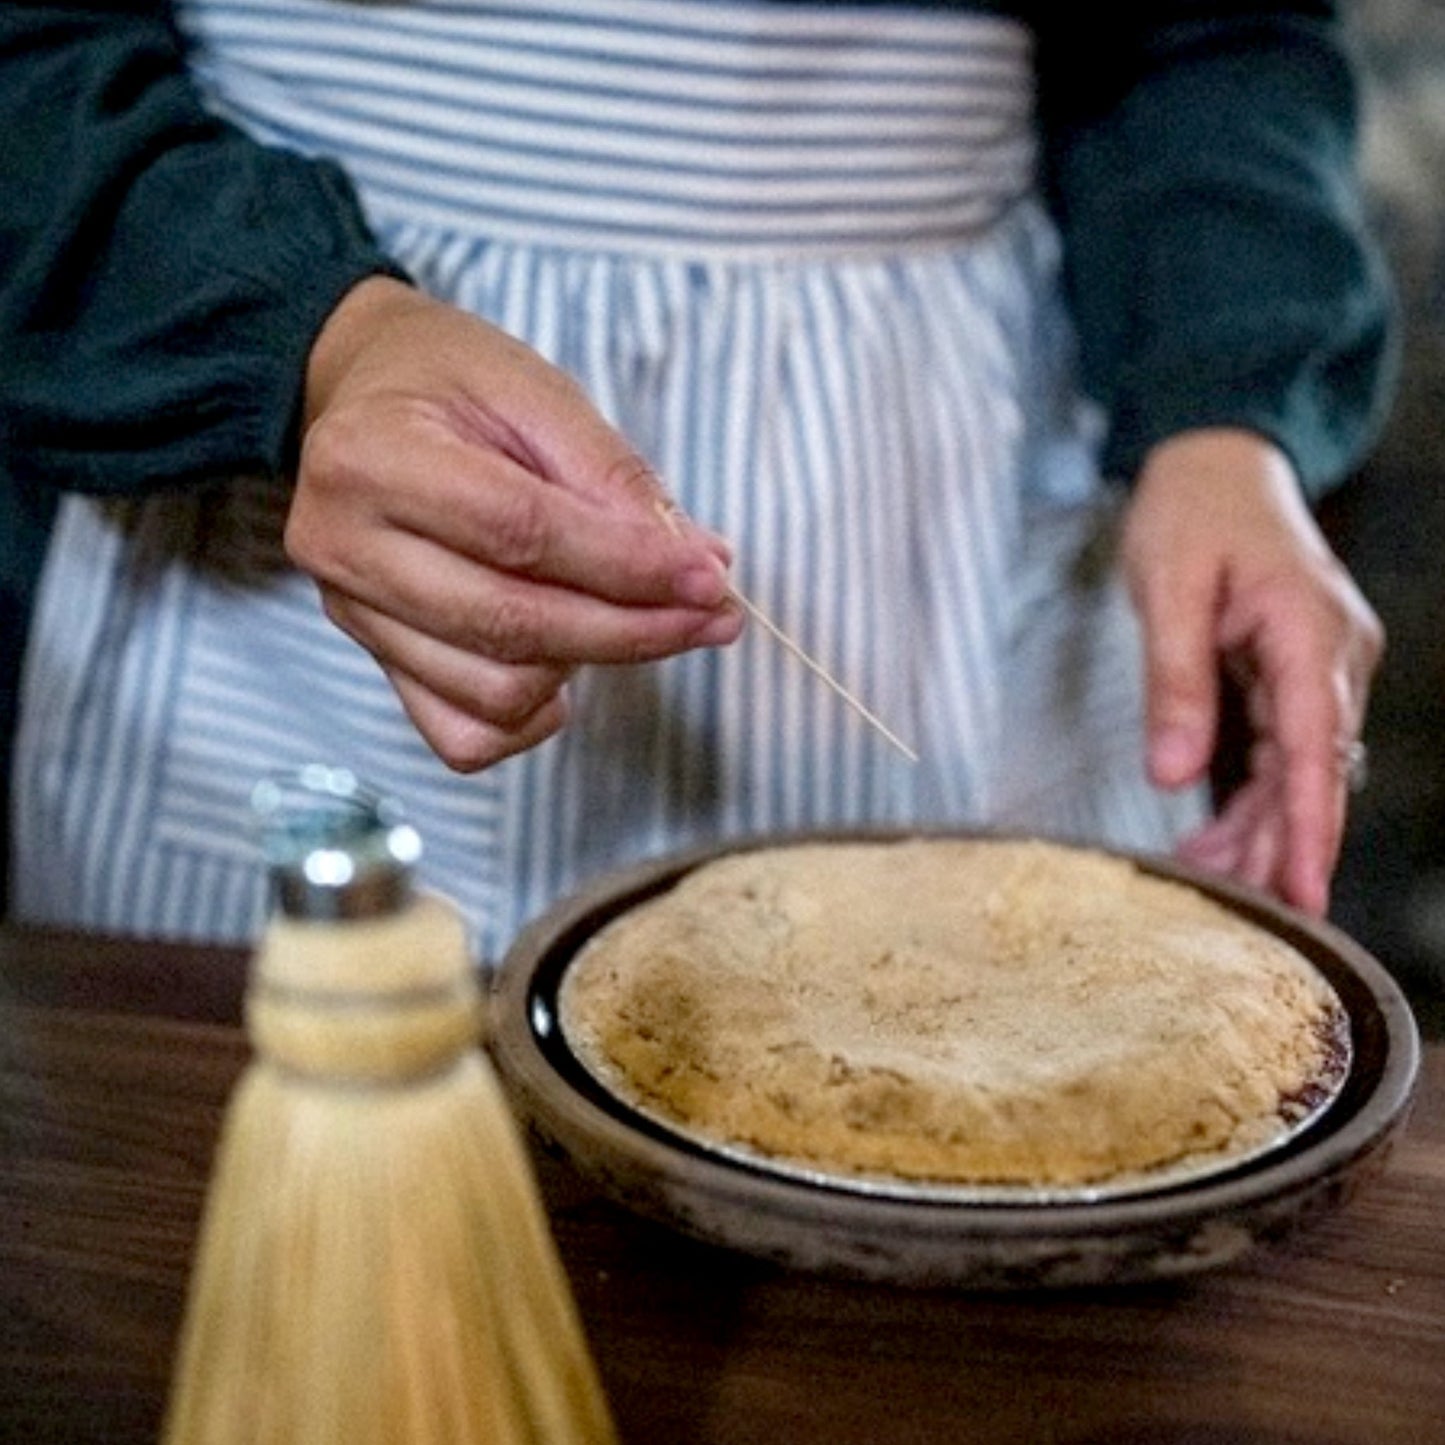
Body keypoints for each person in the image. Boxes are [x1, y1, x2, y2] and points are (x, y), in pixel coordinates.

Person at [0, 0, 1394, 960]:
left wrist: (1226, 412)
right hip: (282, 524)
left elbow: (1212, 39)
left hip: (950, 546)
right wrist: (309, 336)